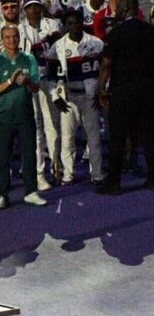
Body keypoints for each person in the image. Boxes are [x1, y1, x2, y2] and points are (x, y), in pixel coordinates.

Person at [96, 0, 154, 194]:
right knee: (149, 136)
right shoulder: (150, 31)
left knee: (118, 139)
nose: (116, 11)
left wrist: (101, 89)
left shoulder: (116, 33)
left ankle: (114, 183)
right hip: (148, 92)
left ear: (125, 8)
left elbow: (106, 65)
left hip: (122, 93)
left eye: (119, 7)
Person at [0, 25, 48, 209]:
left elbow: (36, 87)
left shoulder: (29, 59)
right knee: (3, 158)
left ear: (19, 38)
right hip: (4, 118)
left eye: (15, 37)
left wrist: (27, 82)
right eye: (8, 37)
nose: (12, 40)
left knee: (29, 155)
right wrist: (10, 81)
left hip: (26, 115)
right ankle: (2, 195)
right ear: (2, 40)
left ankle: (30, 192)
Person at [48, 9, 104, 186]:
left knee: (93, 137)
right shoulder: (57, 47)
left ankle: (97, 173)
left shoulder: (96, 44)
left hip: (90, 98)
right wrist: (56, 97)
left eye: (77, 22)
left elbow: (105, 71)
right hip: (68, 98)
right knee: (67, 137)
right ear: (65, 26)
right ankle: (68, 173)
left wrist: (101, 92)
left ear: (83, 23)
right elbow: (50, 77)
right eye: (70, 23)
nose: (74, 27)